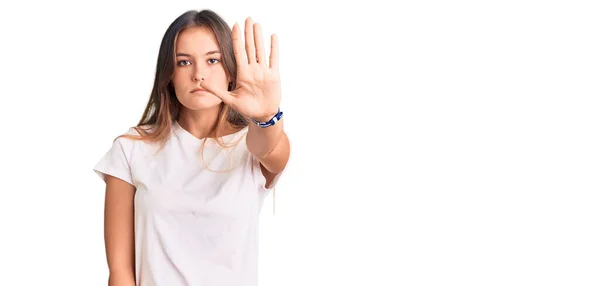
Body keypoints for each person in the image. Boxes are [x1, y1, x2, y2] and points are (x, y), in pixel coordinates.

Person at [93, 9, 290, 286]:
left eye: (213, 60)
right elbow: (120, 272)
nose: (199, 74)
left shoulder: (249, 145)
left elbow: (271, 149)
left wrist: (266, 117)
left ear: (230, 71)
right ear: (169, 74)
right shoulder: (131, 149)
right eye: (184, 62)